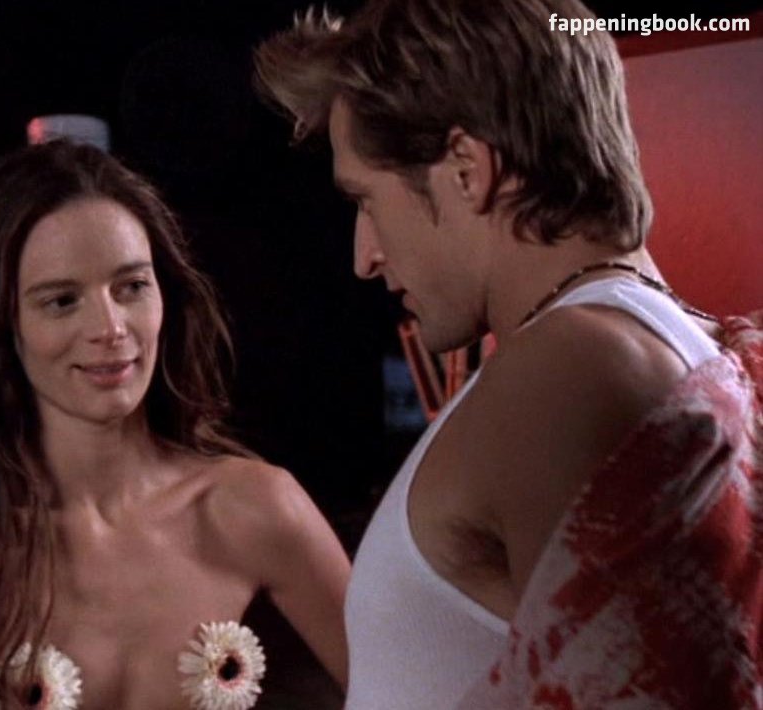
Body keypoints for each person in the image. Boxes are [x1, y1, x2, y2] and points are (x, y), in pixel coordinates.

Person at [254, 0, 761, 707]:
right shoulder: (655, 339)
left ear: (467, 169)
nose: (363, 257)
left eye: (366, 200)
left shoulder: (571, 371)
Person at [0, 140, 350, 709]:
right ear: (4, 323)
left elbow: (401, 686)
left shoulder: (251, 509)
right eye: (61, 301)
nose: (111, 327)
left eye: (131, 287)